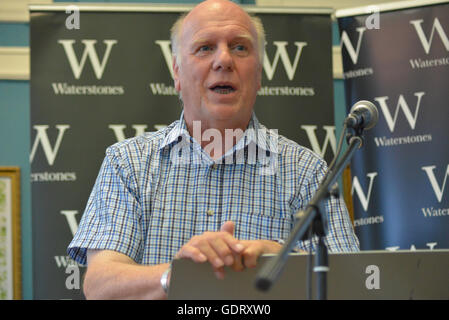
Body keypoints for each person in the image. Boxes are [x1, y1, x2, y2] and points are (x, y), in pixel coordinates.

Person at [67, 0, 359, 300]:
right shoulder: (128, 163)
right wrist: (180, 275)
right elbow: (100, 287)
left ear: (258, 74)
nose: (223, 60)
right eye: (205, 48)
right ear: (177, 73)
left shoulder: (307, 172)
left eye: (240, 48)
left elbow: (351, 288)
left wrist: (280, 256)